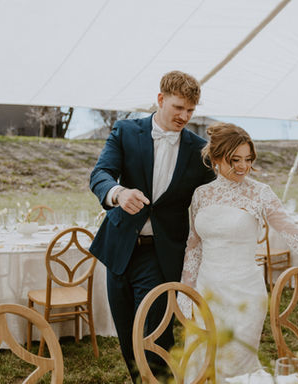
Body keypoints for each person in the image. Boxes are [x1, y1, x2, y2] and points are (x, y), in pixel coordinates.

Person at [179, 122, 298, 382]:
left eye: (248, 159)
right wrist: (186, 293)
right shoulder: (201, 195)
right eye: (234, 159)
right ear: (215, 158)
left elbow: (296, 236)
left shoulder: (260, 194)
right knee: (201, 365)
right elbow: (194, 247)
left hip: (244, 294)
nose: (243, 167)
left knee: (235, 369)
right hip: (206, 291)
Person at [89, 70, 216, 381]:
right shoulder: (125, 130)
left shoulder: (200, 149)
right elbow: (100, 174)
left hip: (161, 255)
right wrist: (118, 193)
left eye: (190, 110)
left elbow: (217, 192)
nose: (185, 116)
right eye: (178, 107)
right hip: (119, 249)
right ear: (160, 100)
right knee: (126, 334)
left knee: (154, 337)